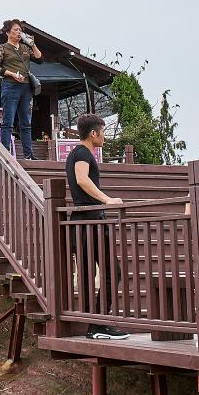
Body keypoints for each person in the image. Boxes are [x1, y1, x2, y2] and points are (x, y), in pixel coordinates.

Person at [67, 113, 129, 340]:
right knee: (113, 271)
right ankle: (98, 323)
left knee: (91, 274)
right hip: (90, 221)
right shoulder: (83, 152)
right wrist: (107, 200)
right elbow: (82, 179)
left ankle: (95, 324)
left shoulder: (76, 153)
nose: (104, 137)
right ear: (93, 133)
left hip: (85, 221)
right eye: (103, 132)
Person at [0, 19, 41, 160]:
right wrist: (12, 74)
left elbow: (39, 59)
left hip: (26, 87)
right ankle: (5, 153)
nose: (19, 32)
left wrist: (33, 44)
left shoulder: (25, 48)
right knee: (8, 121)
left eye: (20, 30)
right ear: (8, 32)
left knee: (26, 122)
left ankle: (28, 154)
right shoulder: (2, 47)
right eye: (15, 30)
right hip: (10, 86)